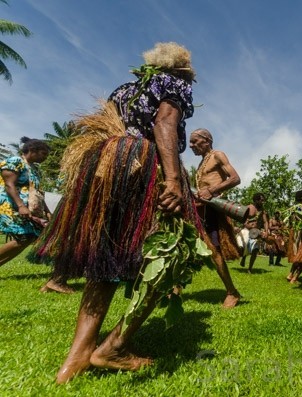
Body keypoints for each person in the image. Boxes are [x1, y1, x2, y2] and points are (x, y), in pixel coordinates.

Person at [33, 42, 200, 383]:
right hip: (146, 163)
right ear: (182, 67)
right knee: (170, 254)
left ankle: (76, 358)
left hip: (110, 164)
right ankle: (113, 347)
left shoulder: (125, 89)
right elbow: (165, 122)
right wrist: (172, 179)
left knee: (105, 255)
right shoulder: (175, 83)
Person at [0, 137, 72, 293]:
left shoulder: (34, 168)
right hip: (12, 206)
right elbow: (9, 184)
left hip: (30, 208)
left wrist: (46, 210)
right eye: (43, 153)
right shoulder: (15, 161)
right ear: (31, 150)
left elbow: (37, 191)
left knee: (28, 238)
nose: (45, 157)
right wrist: (20, 205)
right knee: (23, 238)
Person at [190, 128, 242, 307]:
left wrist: (212, 191)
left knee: (215, 252)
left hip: (213, 211)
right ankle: (174, 289)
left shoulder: (218, 155)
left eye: (195, 141)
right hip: (200, 211)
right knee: (187, 247)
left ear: (207, 140)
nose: (191, 145)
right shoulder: (200, 164)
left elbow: (235, 178)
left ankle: (232, 292)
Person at [239, 192, 269, 273]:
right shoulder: (249, 207)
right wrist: (248, 226)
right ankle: (244, 257)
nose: (263, 202)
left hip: (256, 232)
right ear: (256, 200)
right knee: (244, 245)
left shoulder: (262, 211)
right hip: (246, 230)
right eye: (261, 200)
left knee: (255, 250)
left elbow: (265, 221)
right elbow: (243, 219)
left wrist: (266, 231)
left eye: (263, 200)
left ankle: (250, 268)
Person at [286, 190, 302, 283]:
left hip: (293, 232)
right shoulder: (300, 207)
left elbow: (290, 222)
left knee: (296, 255)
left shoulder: (292, 208)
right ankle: (294, 277)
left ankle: (290, 274)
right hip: (299, 232)